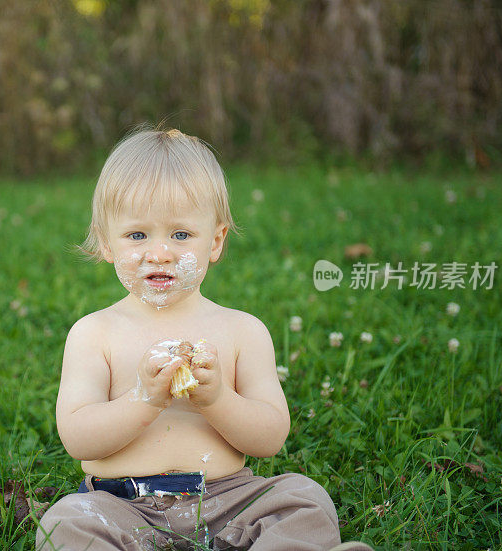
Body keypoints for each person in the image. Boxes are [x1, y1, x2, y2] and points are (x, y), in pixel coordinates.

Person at [36, 128, 371, 550]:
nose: (159, 253)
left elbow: (269, 439)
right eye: (137, 235)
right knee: (66, 521)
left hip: (228, 501)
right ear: (106, 243)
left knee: (303, 499)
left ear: (215, 241)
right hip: (122, 507)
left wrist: (218, 400)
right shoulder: (94, 333)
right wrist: (145, 398)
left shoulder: (241, 330)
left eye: (180, 235)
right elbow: (78, 438)